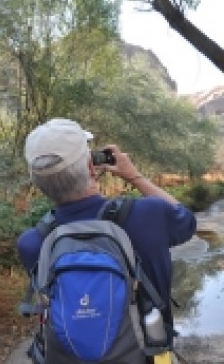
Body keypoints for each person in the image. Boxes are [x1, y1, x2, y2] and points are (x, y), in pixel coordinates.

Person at [17, 117, 196, 341]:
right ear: (92, 167)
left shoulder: (32, 244)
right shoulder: (150, 214)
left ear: (37, 182)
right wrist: (134, 175)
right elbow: (187, 223)